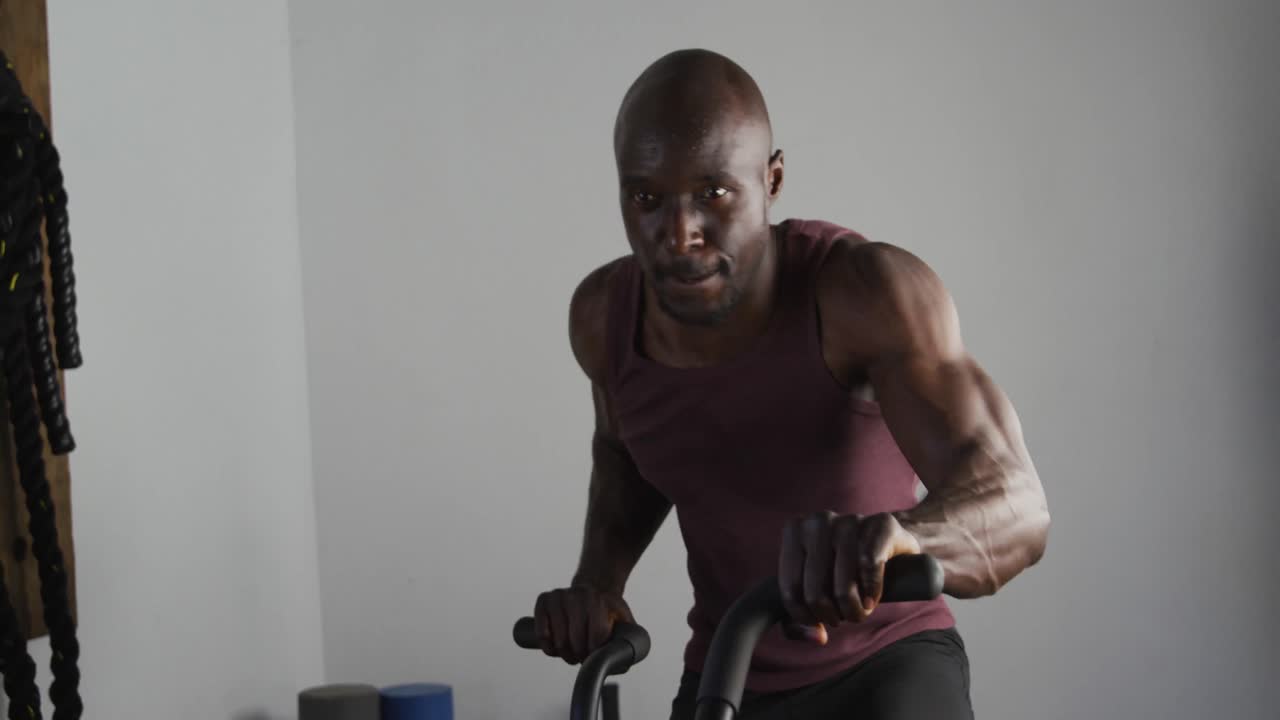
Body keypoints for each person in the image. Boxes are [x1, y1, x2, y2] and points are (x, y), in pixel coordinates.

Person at [530, 48, 1051, 720]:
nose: (679, 234)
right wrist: (597, 584)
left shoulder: (864, 294)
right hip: (729, 668)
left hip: (887, 661)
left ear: (772, 181)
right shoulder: (604, 319)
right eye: (647, 198)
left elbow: (1018, 506)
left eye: (715, 193)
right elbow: (626, 450)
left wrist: (905, 538)